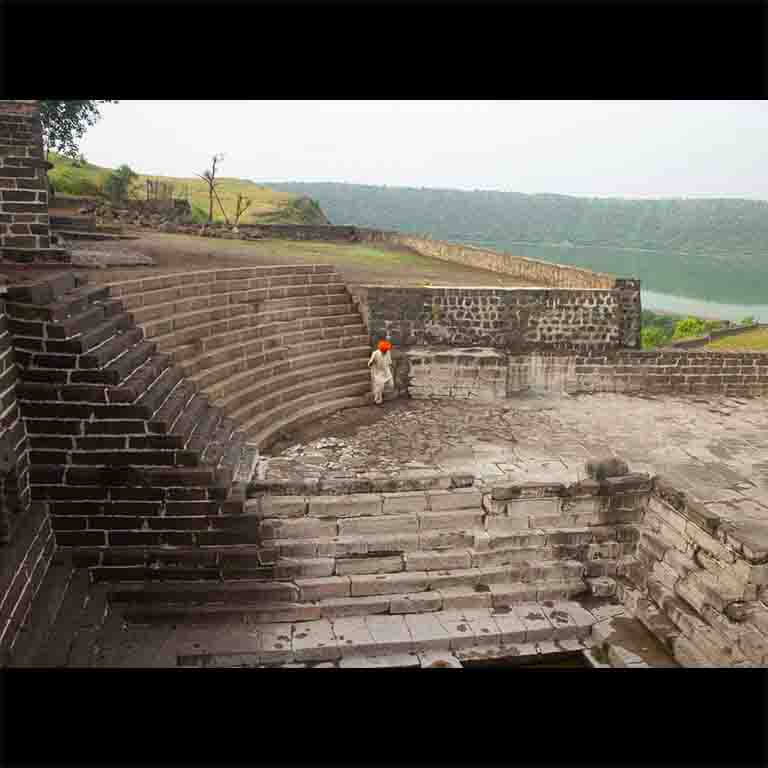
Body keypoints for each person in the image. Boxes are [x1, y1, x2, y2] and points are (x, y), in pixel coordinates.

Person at [368, 340, 393, 404]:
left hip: (386, 370)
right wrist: (371, 363)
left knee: (391, 384)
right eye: (384, 350)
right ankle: (377, 399)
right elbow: (370, 363)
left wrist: (390, 370)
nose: (385, 351)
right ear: (381, 349)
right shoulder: (375, 353)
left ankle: (381, 395)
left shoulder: (388, 352)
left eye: (386, 350)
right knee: (380, 386)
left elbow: (389, 362)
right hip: (378, 371)